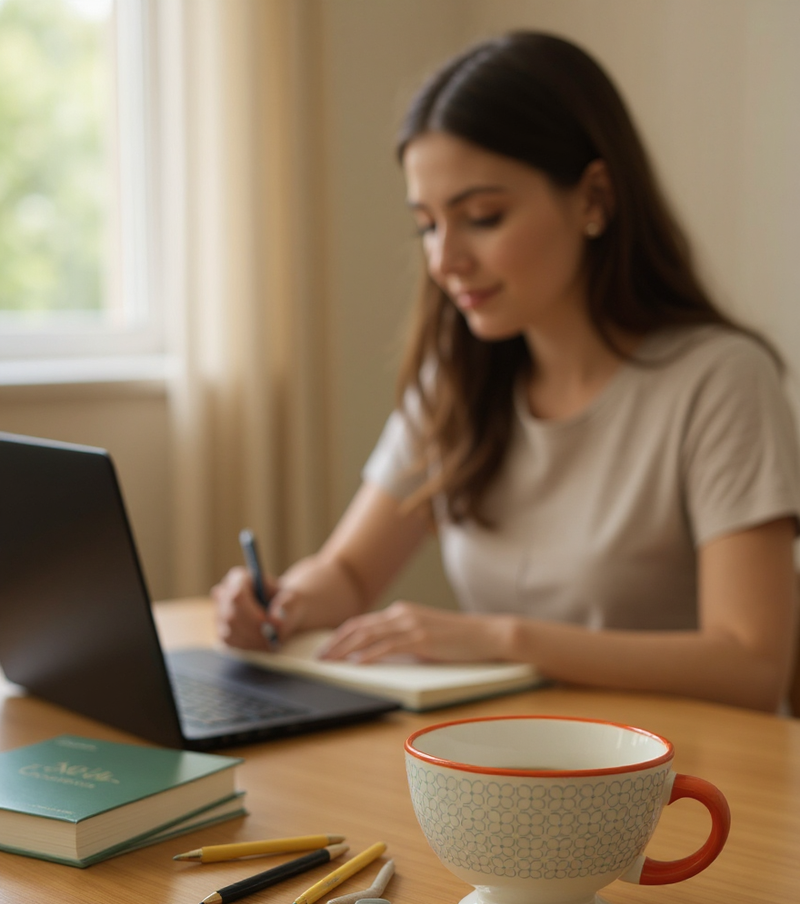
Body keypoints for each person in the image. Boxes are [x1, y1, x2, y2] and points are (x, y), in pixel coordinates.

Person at [213, 30, 800, 714]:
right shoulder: (458, 379)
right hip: (516, 763)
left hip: (684, 778)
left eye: (482, 217)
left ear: (594, 199)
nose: (444, 259)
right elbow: (348, 572)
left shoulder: (720, 381)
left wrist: (503, 638)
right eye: (427, 225)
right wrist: (282, 602)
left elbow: (754, 661)